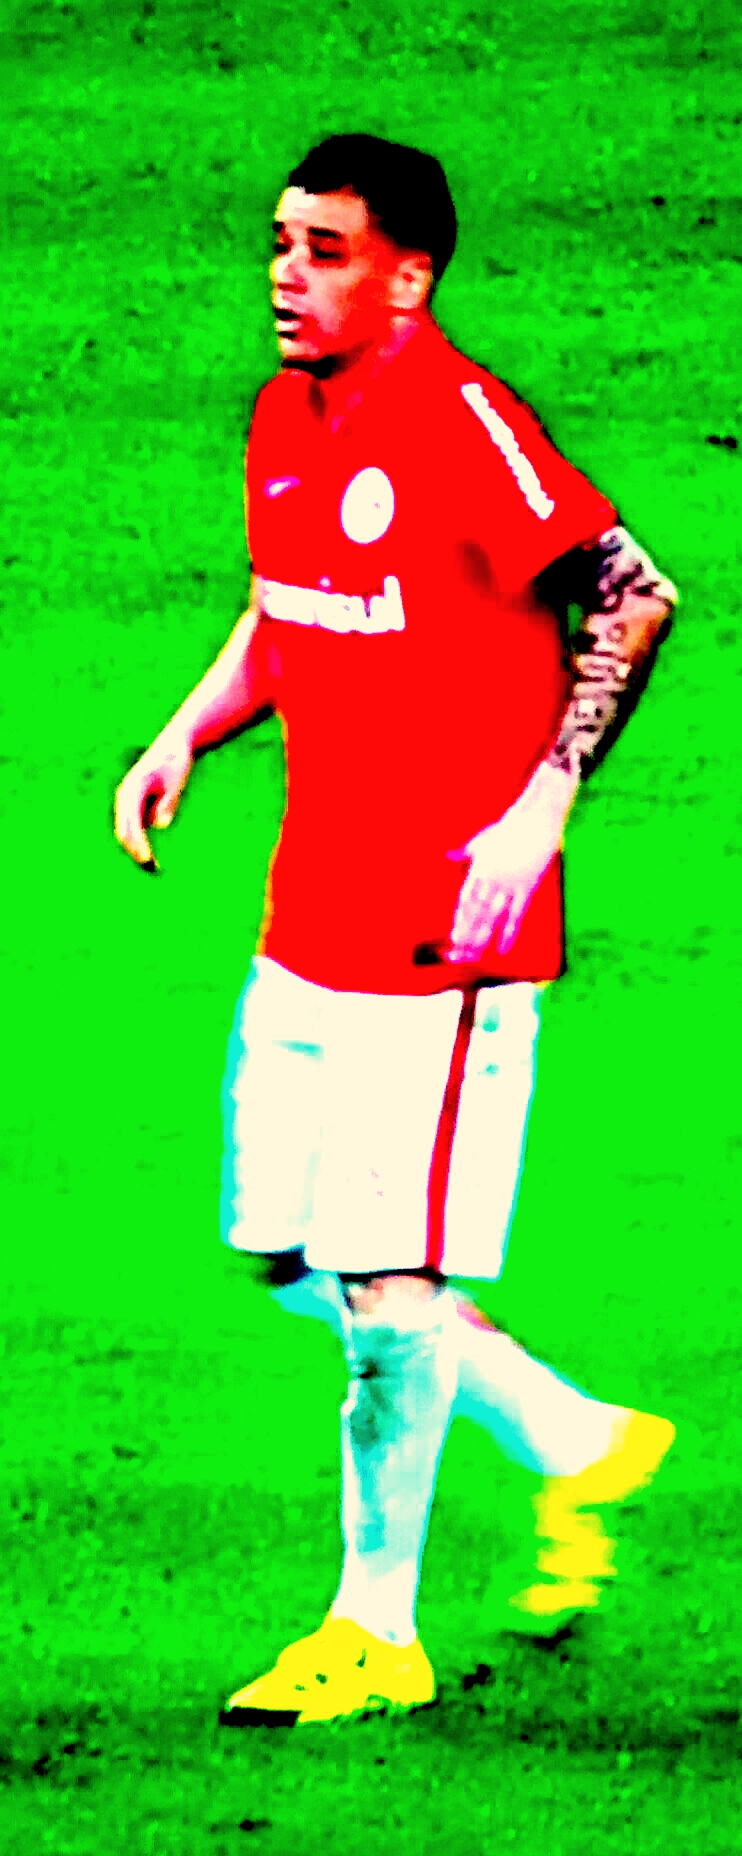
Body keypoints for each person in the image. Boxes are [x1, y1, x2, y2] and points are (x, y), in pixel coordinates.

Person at [115, 134, 677, 1728]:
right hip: (309, 917)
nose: (286, 277)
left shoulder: (457, 418)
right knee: (282, 1254)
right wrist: (184, 735)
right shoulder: (284, 416)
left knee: (383, 1286)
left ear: (408, 276)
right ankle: (571, 1437)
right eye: (280, 244)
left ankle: (374, 1632)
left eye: (327, 251)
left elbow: (631, 593)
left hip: (441, 943)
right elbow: (288, 607)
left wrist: (540, 804)